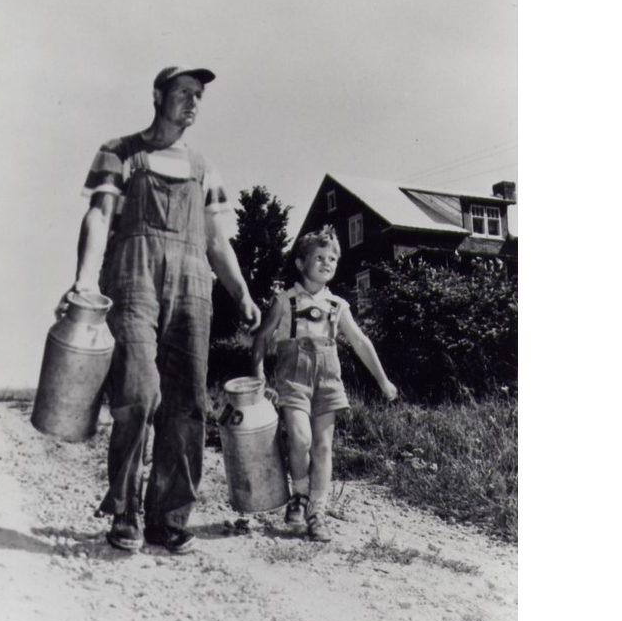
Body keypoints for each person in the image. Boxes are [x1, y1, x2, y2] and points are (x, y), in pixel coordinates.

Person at [61, 66, 260, 554]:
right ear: (157, 95)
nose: (193, 102)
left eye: (199, 96)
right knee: (137, 391)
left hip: (193, 285)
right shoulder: (120, 153)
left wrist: (242, 293)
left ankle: (169, 517)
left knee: (188, 401)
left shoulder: (204, 167)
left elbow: (217, 240)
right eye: (183, 93)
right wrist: (86, 279)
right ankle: (126, 510)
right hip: (132, 278)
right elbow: (99, 214)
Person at [250, 226, 397, 542]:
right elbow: (261, 338)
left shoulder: (338, 306)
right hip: (293, 377)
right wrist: (259, 372)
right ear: (301, 263)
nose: (327, 262)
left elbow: (360, 341)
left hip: (328, 381)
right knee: (300, 439)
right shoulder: (284, 300)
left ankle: (317, 512)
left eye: (332, 258)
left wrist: (382, 380)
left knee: (323, 445)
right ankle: (299, 494)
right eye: (319, 257)